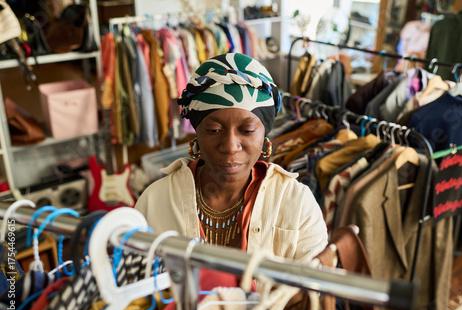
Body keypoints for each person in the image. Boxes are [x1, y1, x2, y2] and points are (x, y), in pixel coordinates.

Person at [135, 53, 327, 262]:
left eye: (246, 130)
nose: (230, 147)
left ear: (264, 136)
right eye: (214, 130)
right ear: (196, 133)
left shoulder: (296, 204)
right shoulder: (155, 201)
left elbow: (313, 291)